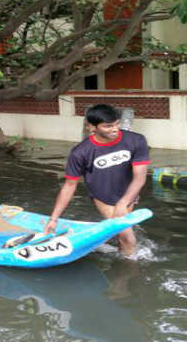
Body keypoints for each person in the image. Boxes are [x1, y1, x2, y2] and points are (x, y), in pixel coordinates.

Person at [44, 104, 150, 257]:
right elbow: (69, 186)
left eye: (117, 124)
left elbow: (140, 178)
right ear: (92, 127)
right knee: (128, 238)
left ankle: (119, 255)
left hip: (130, 194)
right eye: (108, 126)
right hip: (103, 198)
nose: (115, 129)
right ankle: (128, 273)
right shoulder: (80, 152)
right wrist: (53, 219)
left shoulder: (136, 140)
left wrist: (123, 203)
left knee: (121, 234)